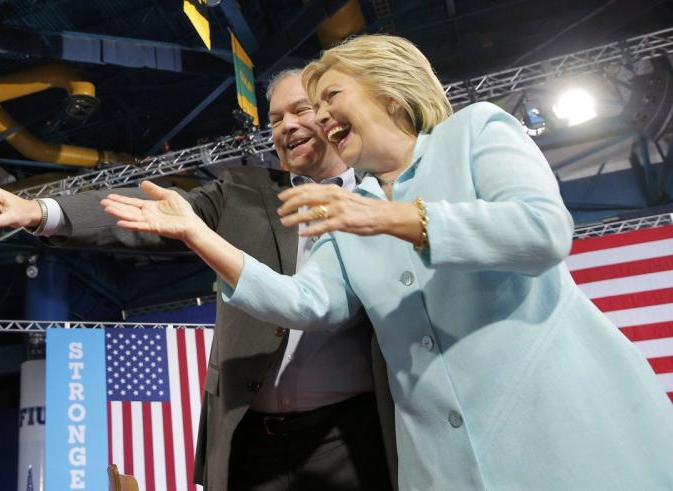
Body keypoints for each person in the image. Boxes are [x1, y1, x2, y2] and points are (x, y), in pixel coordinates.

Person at [101, 35, 673, 490]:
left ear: (390, 94)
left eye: (331, 98)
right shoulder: (350, 209)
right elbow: (307, 303)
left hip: (562, 426)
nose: (320, 117)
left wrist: (395, 219)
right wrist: (198, 234)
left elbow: (543, 231)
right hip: (443, 466)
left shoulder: (474, 132)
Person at [0, 70, 397, 491]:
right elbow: (144, 212)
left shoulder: (386, 200)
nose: (286, 126)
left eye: (300, 111)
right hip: (249, 442)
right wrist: (39, 211)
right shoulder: (243, 190)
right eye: (276, 119)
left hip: (350, 437)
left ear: (334, 116)